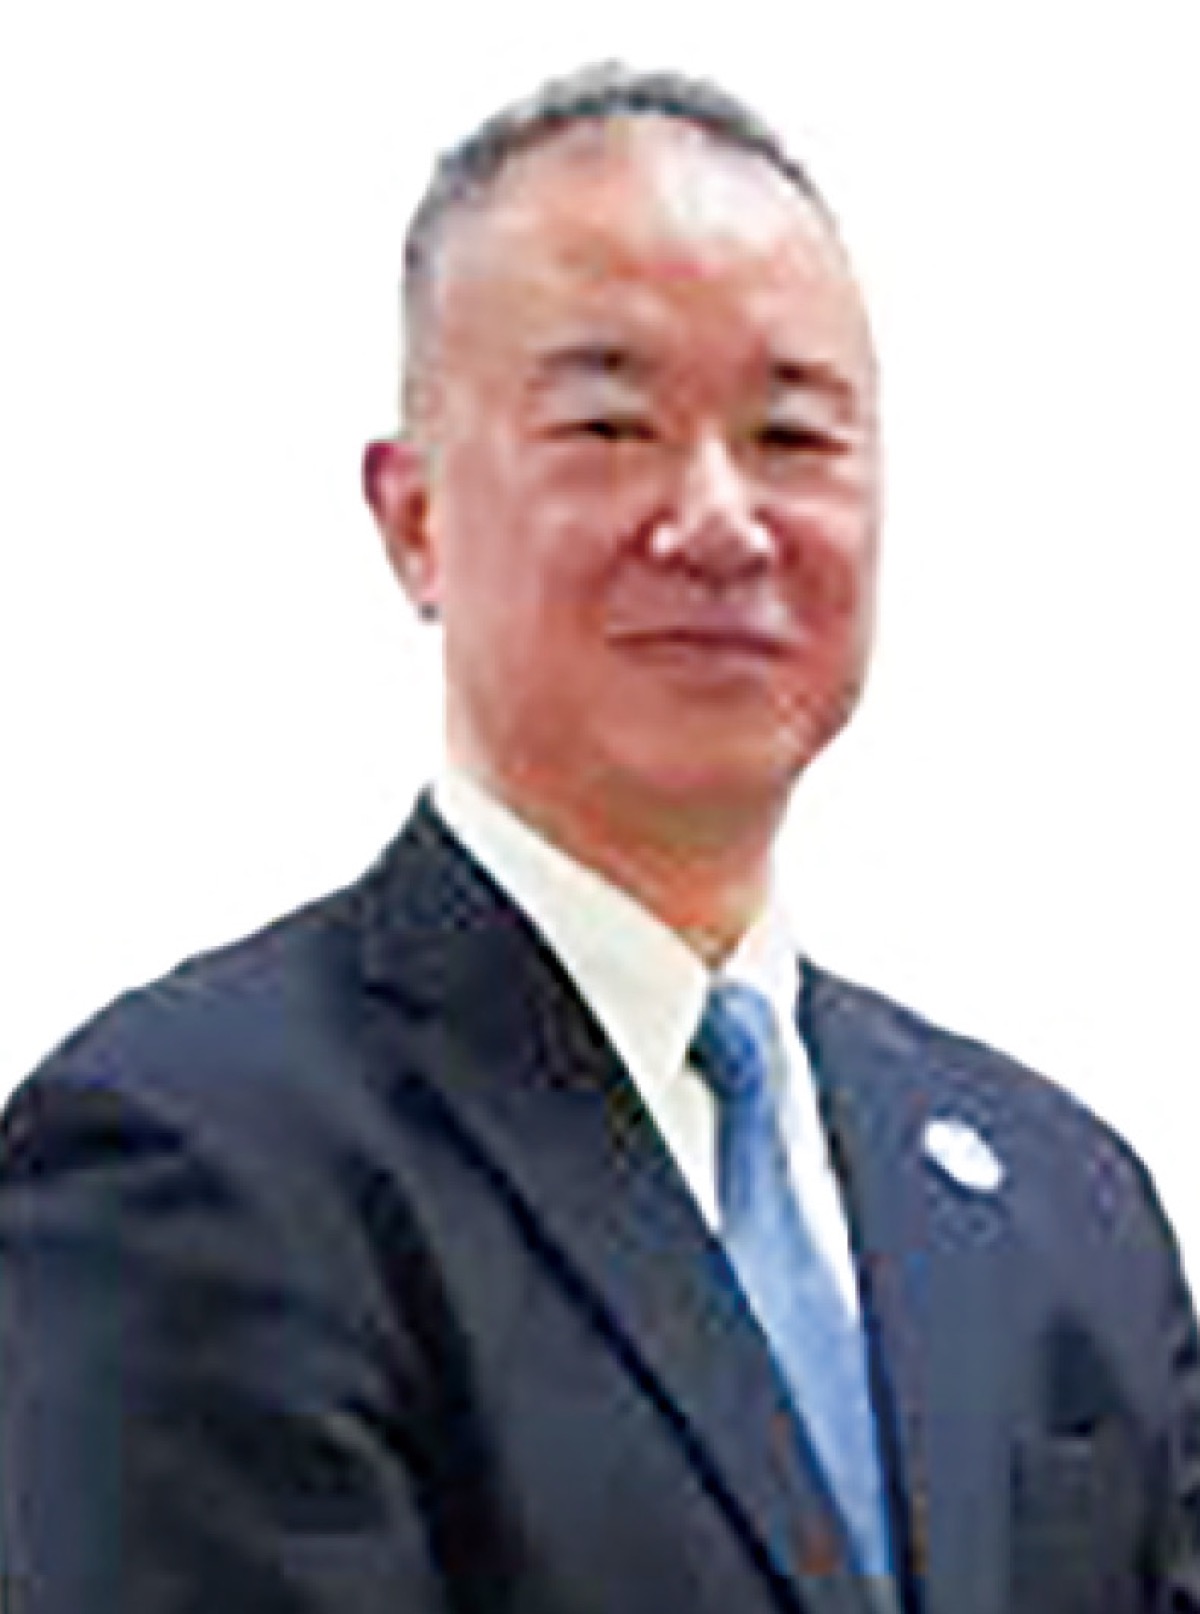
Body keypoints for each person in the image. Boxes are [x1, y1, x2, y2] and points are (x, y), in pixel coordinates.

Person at [2, 62, 1197, 1614]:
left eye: (793, 436)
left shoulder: (1066, 1199)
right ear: (414, 519)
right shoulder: (191, 1164)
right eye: (611, 424)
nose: (720, 518)